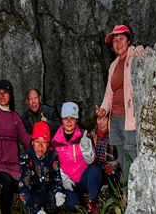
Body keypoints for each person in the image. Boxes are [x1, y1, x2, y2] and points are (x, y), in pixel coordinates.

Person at [96, 24, 144, 178]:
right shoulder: (113, 65)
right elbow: (108, 94)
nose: (118, 43)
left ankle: (140, 186)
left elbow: (142, 53)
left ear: (128, 40)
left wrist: (140, 50)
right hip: (115, 119)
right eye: (114, 40)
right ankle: (127, 189)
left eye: (121, 38)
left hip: (128, 117)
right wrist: (103, 110)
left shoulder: (134, 54)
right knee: (122, 156)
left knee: (133, 153)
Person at [0, 79, 31, 214]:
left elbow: (26, 140)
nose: (2, 96)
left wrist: (40, 145)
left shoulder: (15, 117)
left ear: (11, 95)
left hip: (12, 162)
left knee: (22, 185)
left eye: (6, 92)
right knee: (7, 180)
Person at [51, 102, 101, 213]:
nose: (69, 121)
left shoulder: (83, 135)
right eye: (66, 118)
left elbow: (91, 161)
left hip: (83, 178)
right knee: (72, 206)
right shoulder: (55, 141)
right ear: (62, 120)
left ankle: (92, 201)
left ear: (76, 120)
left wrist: (86, 148)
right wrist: (65, 181)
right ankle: (76, 198)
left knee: (95, 170)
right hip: (68, 183)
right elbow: (54, 166)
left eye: (72, 118)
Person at [19, 122, 66, 214]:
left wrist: (58, 191)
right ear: (32, 142)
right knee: (28, 209)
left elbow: (57, 177)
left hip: (49, 191)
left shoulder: (52, 155)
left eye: (44, 142)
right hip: (33, 192)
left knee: (59, 202)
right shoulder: (26, 157)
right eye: (37, 141)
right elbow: (23, 187)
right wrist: (36, 210)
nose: (40, 146)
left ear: (48, 144)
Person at [88, 114, 121, 189]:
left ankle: (113, 195)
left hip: (112, 171)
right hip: (97, 170)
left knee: (112, 176)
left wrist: (113, 166)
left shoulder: (116, 135)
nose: (101, 122)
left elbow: (123, 158)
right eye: (99, 119)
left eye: (104, 119)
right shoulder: (92, 135)